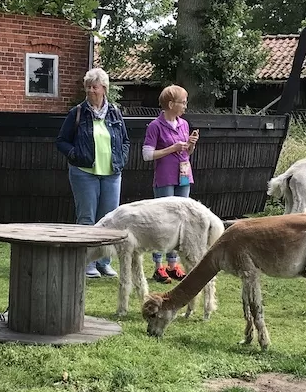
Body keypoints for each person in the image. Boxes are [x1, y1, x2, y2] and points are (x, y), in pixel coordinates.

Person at [56, 68, 131, 278]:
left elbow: (125, 141)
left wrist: (122, 159)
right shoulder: (77, 113)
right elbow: (60, 141)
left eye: (94, 86)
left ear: (104, 88)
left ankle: (104, 263)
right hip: (83, 173)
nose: (90, 90)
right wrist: (74, 155)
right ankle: (86, 263)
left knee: (109, 219)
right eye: (87, 86)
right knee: (87, 218)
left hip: (112, 174)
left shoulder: (115, 112)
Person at [143, 84, 199, 283]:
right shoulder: (155, 126)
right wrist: (171, 148)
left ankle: (173, 265)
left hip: (183, 176)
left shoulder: (183, 124)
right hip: (165, 178)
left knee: (181, 221)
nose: (185, 106)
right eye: (182, 102)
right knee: (163, 222)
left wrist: (190, 145)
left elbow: (185, 152)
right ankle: (158, 267)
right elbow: (147, 155)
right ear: (170, 104)